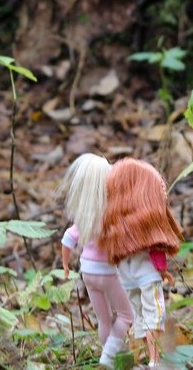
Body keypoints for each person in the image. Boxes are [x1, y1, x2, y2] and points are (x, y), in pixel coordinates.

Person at [98, 157, 184, 367]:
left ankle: (142, 355)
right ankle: (153, 359)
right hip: (146, 277)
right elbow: (156, 254)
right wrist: (163, 271)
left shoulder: (117, 232)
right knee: (153, 314)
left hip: (127, 278)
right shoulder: (145, 231)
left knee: (137, 315)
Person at [60, 153, 133, 368]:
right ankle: (108, 357)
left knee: (104, 319)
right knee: (127, 315)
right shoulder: (109, 215)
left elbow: (68, 238)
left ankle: (111, 355)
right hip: (108, 272)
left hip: (87, 272)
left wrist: (65, 265)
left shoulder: (85, 216)